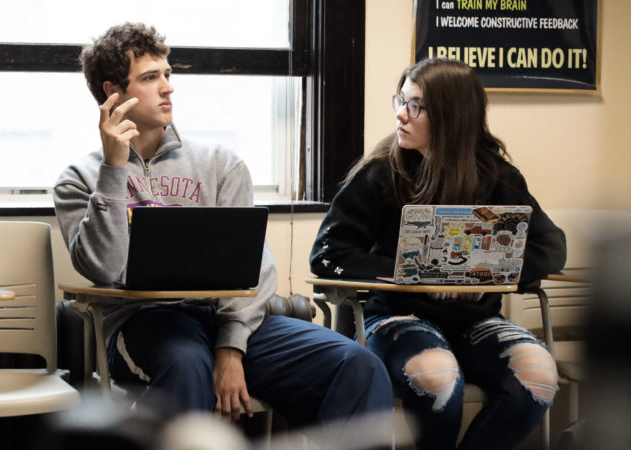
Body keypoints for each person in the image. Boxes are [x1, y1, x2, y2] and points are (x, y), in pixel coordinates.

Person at [53, 21, 393, 440]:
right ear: (113, 93)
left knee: (355, 363)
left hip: (229, 320)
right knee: (186, 364)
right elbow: (105, 268)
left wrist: (231, 347)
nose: (168, 87)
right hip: (146, 326)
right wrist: (113, 170)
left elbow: (257, 267)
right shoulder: (80, 180)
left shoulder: (220, 163)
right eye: (149, 77)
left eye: (167, 74)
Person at [309, 58, 567, 450]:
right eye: (401, 100)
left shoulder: (497, 176)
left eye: (414, 105)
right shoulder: (381, 173)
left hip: (474, 321)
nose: (400, 113)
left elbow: (551, 246)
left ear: (451, 116)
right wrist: (420, 274)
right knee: (438, 376)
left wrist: (483, 274)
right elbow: (327, 254)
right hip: (395, 317)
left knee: (539, 377)